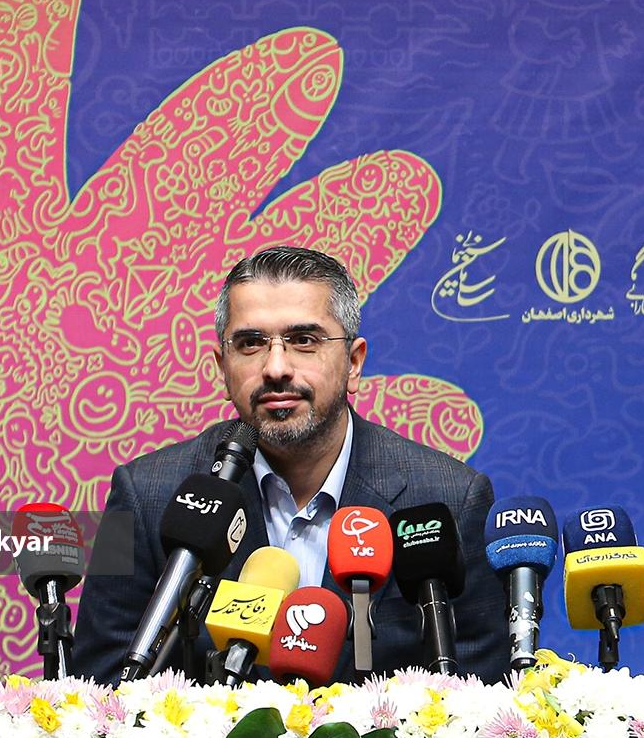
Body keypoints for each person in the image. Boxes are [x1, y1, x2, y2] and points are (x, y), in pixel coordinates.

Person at [74, 245, 507, 682]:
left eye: (304, 341)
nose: (276, 367)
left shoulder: (455, 498)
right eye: (250, 343)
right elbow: (98, 684)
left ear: (354, 363)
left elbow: (481, 694)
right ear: (223, 367)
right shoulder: (137, 492)